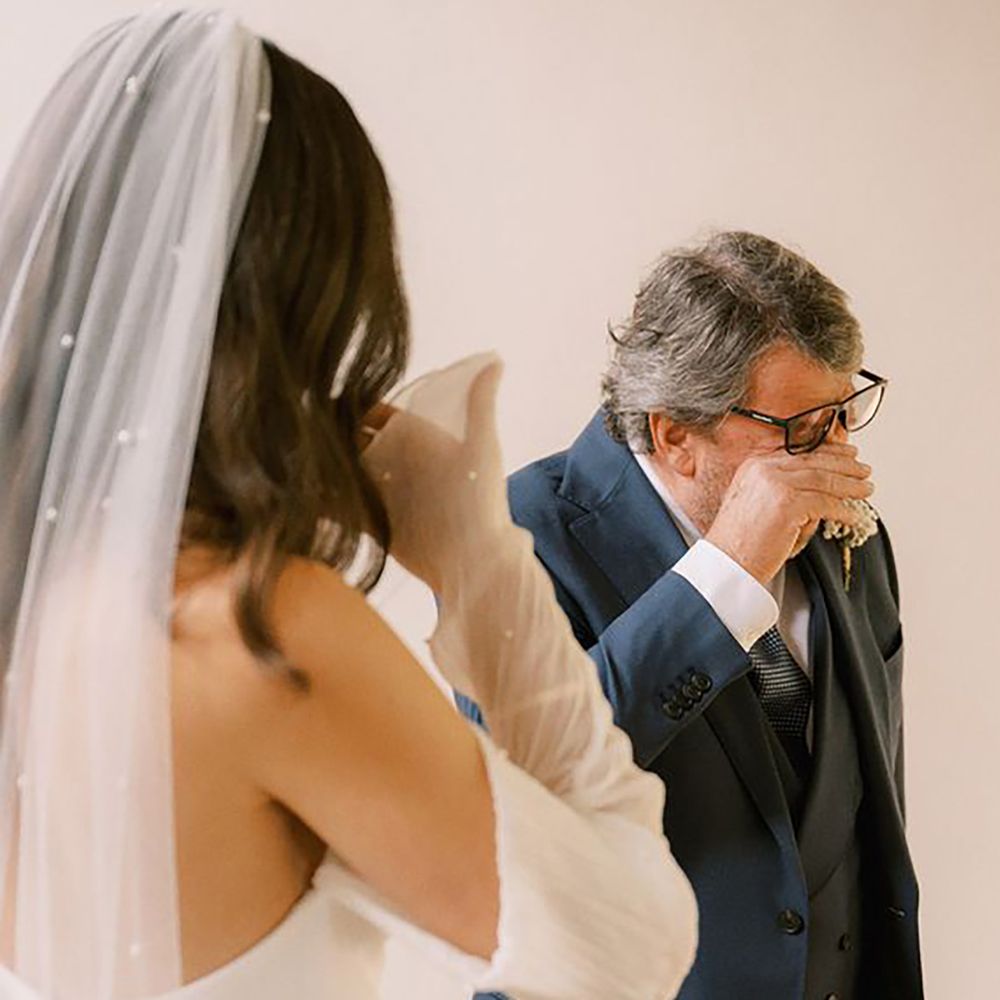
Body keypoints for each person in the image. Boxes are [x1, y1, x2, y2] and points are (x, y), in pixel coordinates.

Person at [0, 9, 698, 1000]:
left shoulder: (34, 593)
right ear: (297, 307)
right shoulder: (255, 633)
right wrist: (475, 555)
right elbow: (628, 950)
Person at [461, 232, 923, 999]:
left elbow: (869, 812)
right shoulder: (508, 535)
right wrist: (725, 574)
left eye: (845, 411)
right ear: (675, 433)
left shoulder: (854, 538)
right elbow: (527, 783)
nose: (838, 451)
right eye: (802, 429)